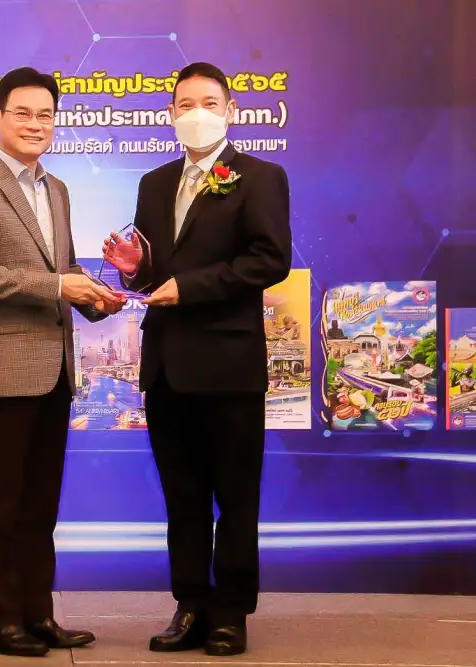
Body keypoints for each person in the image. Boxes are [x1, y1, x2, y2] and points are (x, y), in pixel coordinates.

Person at [103, 62, 291, 656]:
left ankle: (231, 612)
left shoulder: (260, 176)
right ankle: (189, 604)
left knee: (235, 496)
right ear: (170, 114)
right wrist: (136, 271)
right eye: (185, 104)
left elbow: (270, 259)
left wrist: (190, 287)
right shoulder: (154, 183)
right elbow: (158, 276)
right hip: (166, 367)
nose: (197, 113)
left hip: (229, 364)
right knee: (182, 498)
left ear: (230, 110)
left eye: (209, 102)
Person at [0, 66, 125, 657]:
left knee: (41, 504)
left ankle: (37, 615)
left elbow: (62, 269)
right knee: (2, 502)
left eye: (45, 115)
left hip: (56, 369)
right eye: (22, 113)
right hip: (2, 369)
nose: (35, 124)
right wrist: (62, 286)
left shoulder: (58, 188)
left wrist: (98, 298)